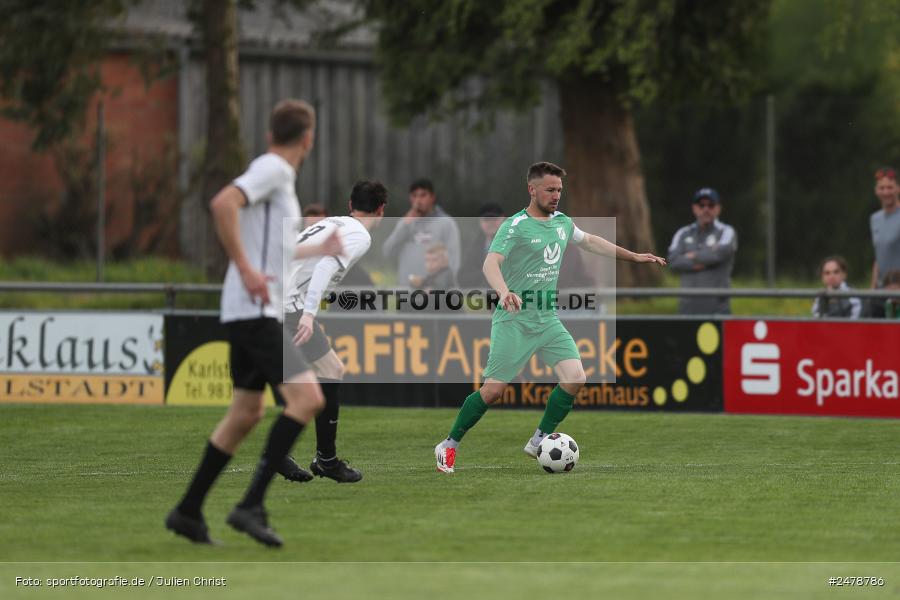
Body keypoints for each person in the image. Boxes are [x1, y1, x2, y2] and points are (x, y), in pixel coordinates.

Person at [166, 99, 342, 548]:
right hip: (256, 309)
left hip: (246, 310)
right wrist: (244, 268)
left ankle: (188, 512)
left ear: (269, 134)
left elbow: (274, 250)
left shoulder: (275, 176)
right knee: (307, 399)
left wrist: (315, 251)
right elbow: (222, 202)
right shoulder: (275, 170)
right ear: (309, 138)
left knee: (245, 413)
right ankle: (250, 506)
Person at [433, 162, 666, 473]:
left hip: (547, 320)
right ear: (532, 190)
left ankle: (539, 438)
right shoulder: (514, 226)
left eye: (559, 190)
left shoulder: (563, 223)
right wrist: (503, 292)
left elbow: (592, 241)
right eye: (550, 190)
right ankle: (449, 445)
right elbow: (490, 264)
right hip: (514, 320)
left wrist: (634, 256)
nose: (556, 195)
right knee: (493, 391)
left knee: (576, 378)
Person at [280, 180, 388, 483]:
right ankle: (308, 457)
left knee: (328, 369)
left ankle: (324, 459)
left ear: (350, 205)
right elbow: (327, 264)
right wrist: (309, 313)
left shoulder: (331, 223)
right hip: (290, 309)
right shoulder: (358, 234)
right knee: (302, 388)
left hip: (277, 300)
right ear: (381, 210)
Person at [667, 188, 737, 315]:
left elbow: (719, 254)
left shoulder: (727, 231)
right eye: (701, 205)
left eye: (711, 205)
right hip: (687, 310)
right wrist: (705, 258)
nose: (706, 209)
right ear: (694, 208)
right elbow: (673, 262)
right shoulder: (682, 233)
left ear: (718, 208)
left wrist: (690, 256)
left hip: (718, 310)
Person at [382, 178, 461, 286]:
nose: (418, 200)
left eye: (423, 195)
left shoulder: (446, 223)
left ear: (432, 197)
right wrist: (404, 226)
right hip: (408, 291)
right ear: (410, 198)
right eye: (414, 196)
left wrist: (444, 286)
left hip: (435, 292)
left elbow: (454, 258)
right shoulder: (404, 223)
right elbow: (388, 251)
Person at [458, 203, 505, 289]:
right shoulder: (473, 248)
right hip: (480, 298)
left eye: (494, 219)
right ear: (480, 222)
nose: (490, 223)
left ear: (502, 219)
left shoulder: (515, 245)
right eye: (486, 219)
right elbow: (462, 277)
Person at [869, 167, 900, 289]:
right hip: (882, 287)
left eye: (890, 187)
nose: (886, 192)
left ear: (898, 189)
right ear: (876, 191)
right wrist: (873, 287)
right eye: (882, 188)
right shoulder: (875, 218)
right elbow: (879, 255)